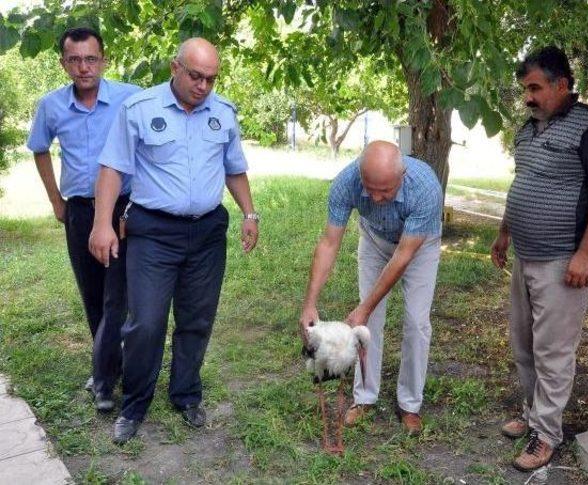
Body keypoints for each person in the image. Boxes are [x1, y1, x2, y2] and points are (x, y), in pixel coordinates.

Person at [89, 38, 259, 444]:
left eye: (211, 79)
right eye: (196, 76)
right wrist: (101, 224)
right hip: (153, 232)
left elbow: (233, 168)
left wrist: (249, 213)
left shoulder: (224, 114)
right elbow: (112, 169)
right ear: (175, 68)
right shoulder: (140, 110)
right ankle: (134, 405)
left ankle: (185, 394)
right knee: (145, 322)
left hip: (206, 232)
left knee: (197, 318)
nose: (204, 86)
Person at [491, 46, 588, 472]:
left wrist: (587, 253)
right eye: (524, 89)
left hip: (563, 259)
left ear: (562, 84)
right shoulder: (528, 129)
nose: (528, 97)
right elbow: (522, 181)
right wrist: (504, 232)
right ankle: (534, 416)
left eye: (535, 88)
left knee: (553, 351)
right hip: (526, 254)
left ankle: (546, 433)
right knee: (524, 342)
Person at [27, 27, 141, 412]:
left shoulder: (129, 98)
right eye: (74, 60)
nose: (83, 68)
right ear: (63, 63)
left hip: (122, 209)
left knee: (116, 298)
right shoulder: (52, 106)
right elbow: (39, 150)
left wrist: (137, 202)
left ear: (104, 60)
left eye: (91, 59)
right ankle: (107, 364)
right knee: (93, 295)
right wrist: (57, 202)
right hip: (79, 211)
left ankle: (105, 381)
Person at [299, 140, 442, 436]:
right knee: (367, 326)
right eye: (370, 188)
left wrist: (364, 308)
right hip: (375, 240)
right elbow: (329, 242)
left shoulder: (425, 187)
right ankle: (364, 398)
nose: (376, 197)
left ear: (401, 177)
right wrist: (310, 302)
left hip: (418, 246)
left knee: (416, 322)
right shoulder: (346, 182)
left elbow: (403, 256)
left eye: (386, 191)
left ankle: (410, 404)